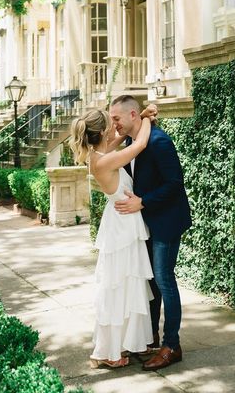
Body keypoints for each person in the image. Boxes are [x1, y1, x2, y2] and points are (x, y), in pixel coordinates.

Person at [69, 105, 157, 368]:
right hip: (122, 227)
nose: (114, 127)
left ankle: (116, 348)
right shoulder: (105, 160)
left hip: (121, 224)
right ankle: (110, 353)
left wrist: (139, 118)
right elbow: (139, 144)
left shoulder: (99, 154)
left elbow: (120, 139)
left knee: (124, 286)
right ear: (103, 131)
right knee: (119, 287)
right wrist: (147, 117)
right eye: (111, 123)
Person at [110, 95, 192, 371]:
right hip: (146, 223)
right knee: (152, 283)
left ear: (133, 115)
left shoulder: (159, 141)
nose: (114, 124)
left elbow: (174, 183)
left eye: (117, 118)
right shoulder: (135, 142)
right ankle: (151, 339)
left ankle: (172, 346)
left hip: (167, 221)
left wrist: (142, 202)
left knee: (164, 280)